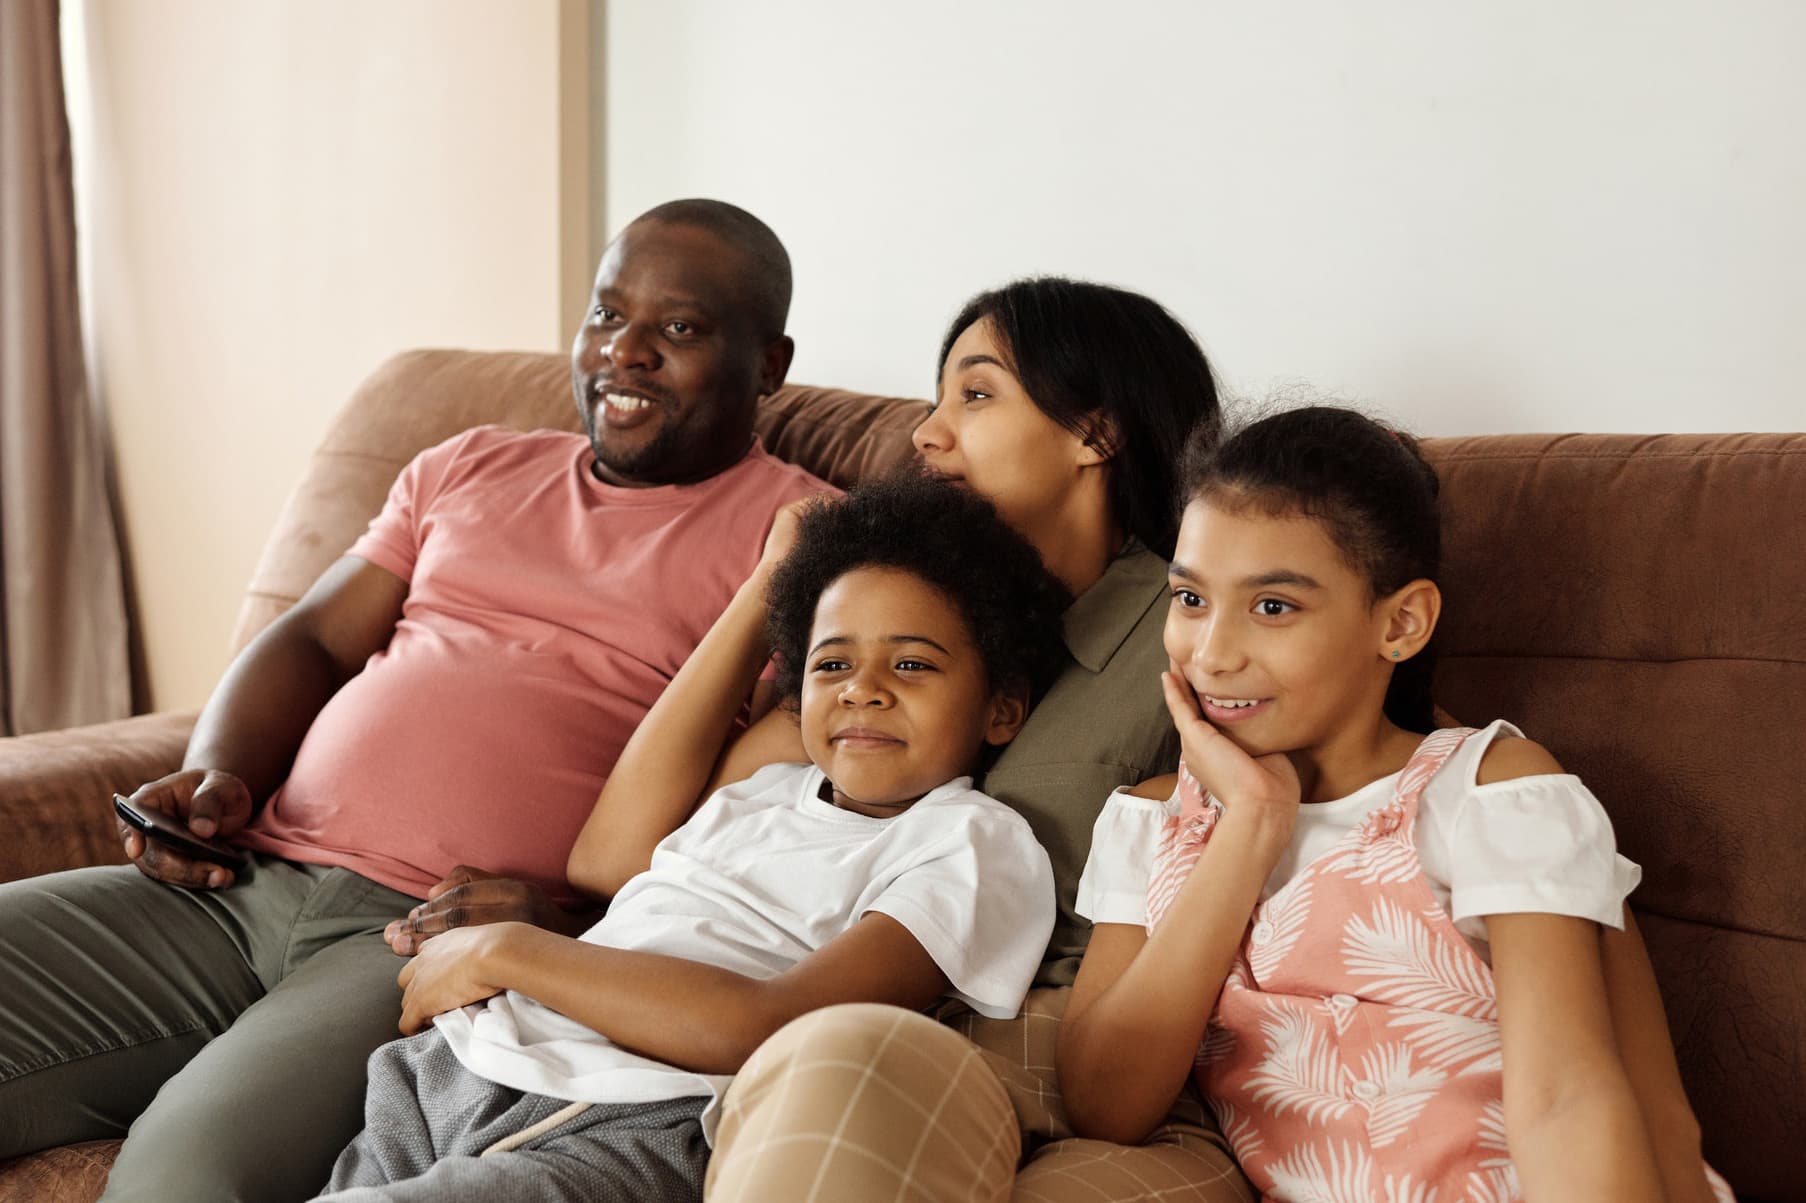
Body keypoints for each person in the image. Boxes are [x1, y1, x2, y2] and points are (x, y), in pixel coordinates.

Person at [0, 199, 829, 1202]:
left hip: (428, 941)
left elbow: (777, 809)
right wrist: (223, 772)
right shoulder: (469, 464)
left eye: (680, 328)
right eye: (607, 316)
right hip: (245, 885)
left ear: (770, 363)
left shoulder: (802, 541)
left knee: (179, 1178)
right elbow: (311, 637)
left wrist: (580, 928)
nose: (628, 353)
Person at [312, 474, 1066, 1201]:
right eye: (831, 663)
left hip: (632, 1114)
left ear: (1002, 709)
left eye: (911, 663)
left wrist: (504, 950)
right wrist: (771, 575)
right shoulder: (763, 787)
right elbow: (605, 860)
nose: (860, 688)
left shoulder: (972, 841)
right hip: (460, 1059)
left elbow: (769, 1023)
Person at [1058, 406, 1733, 1201]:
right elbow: (1106, 1102)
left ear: (1401, 622)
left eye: (1273, 606)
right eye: (1190, 599)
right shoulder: (1153, 821)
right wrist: (1251, 826)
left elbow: (1570, 1102)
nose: (1212, 653)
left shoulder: (1489, 794)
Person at [706, 278, 1258, 1201]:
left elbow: (1383, 752)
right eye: (935, 400)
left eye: (974, 393)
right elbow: (674, 829)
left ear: (1096, 434)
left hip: (1081, 1053)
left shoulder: (1195, 629)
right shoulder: (896, 635)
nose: (926, 435)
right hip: (871, 1027)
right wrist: (772, 580)